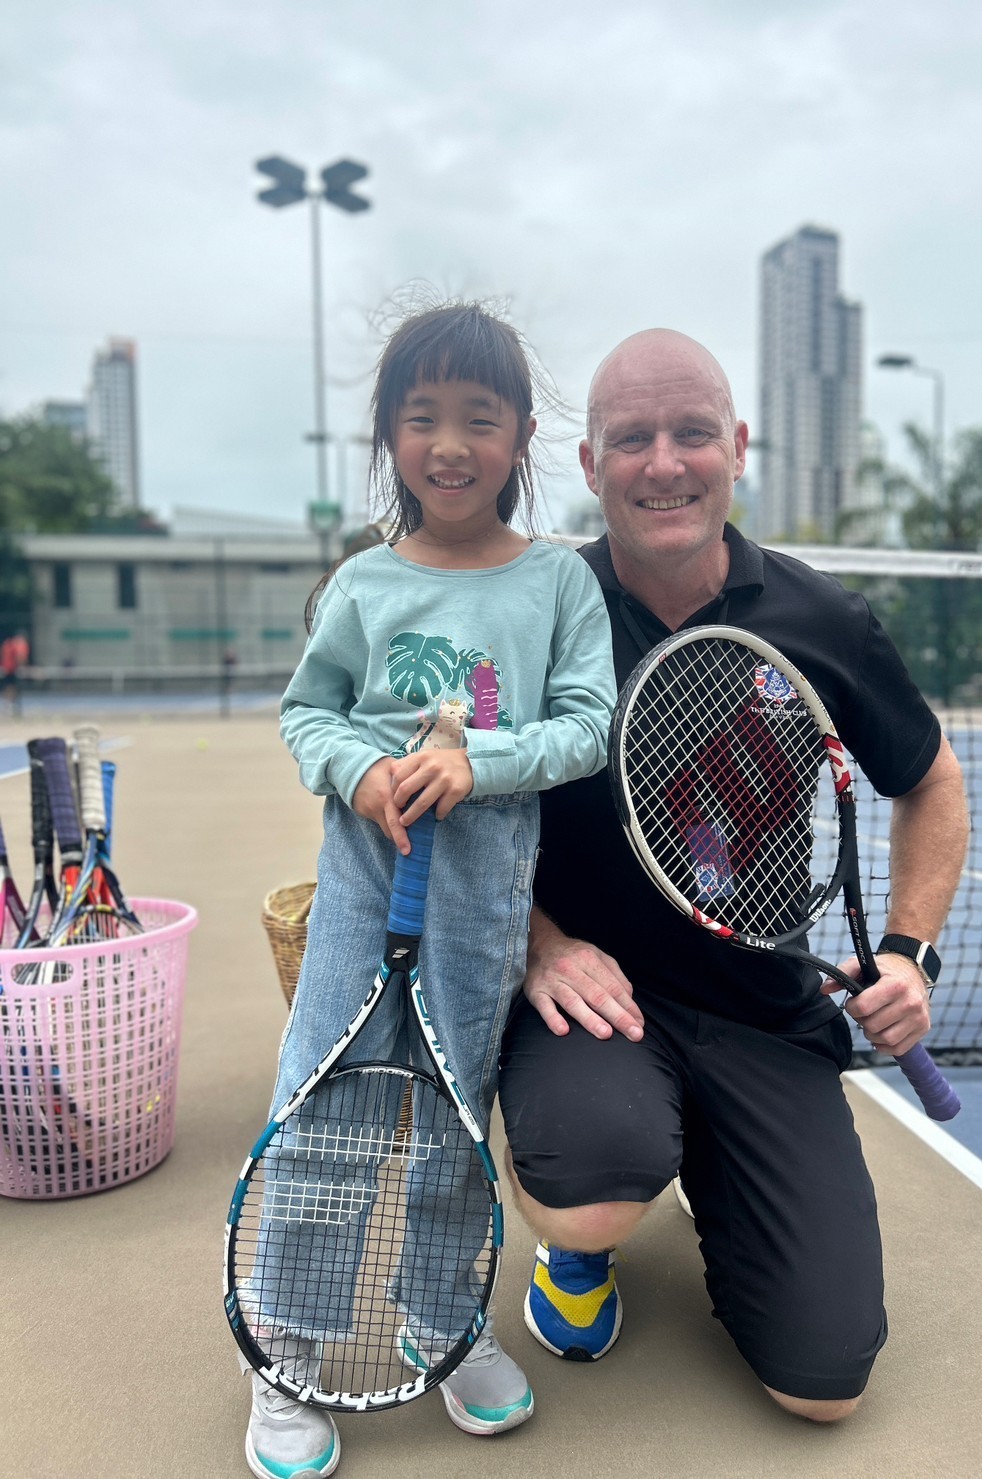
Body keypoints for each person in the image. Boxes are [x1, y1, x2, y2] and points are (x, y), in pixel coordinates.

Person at [498, 328, 970, 1423]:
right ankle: (577, 1248)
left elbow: (931, 780)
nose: (663, 463)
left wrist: (908, 952)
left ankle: (717, 1158)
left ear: (739, 447)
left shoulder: (823, 621)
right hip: (597, 1006)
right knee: (589, 1190)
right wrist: (539, 946)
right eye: (631, 439)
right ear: (590, 465)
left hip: (764, 1014)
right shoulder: (533, 617)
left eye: (692, 433)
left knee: (823, 1386)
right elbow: (468, 816)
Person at [240, 302, 616, 1479]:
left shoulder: (557, 584)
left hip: (482, 904)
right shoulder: (360, 583)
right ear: (388, 434)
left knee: (458, 1115)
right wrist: (358, 773)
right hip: (364, 888)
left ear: (520, 438)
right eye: (422, 417)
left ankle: (439, 1320)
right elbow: (307, 713)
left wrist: (477, 761)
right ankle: (286, 1347)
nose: (449, 444)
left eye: (478, 418)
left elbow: (587, 726)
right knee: (328, 1109)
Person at [1, 631, 30, 716]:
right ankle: (11, 705)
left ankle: (8, 705)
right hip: (12, 669)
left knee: (8, 687)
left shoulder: (5, 645)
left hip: (6, 668)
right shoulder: (14, 645)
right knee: (12, 687)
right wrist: (23, 666)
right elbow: (20, 657)